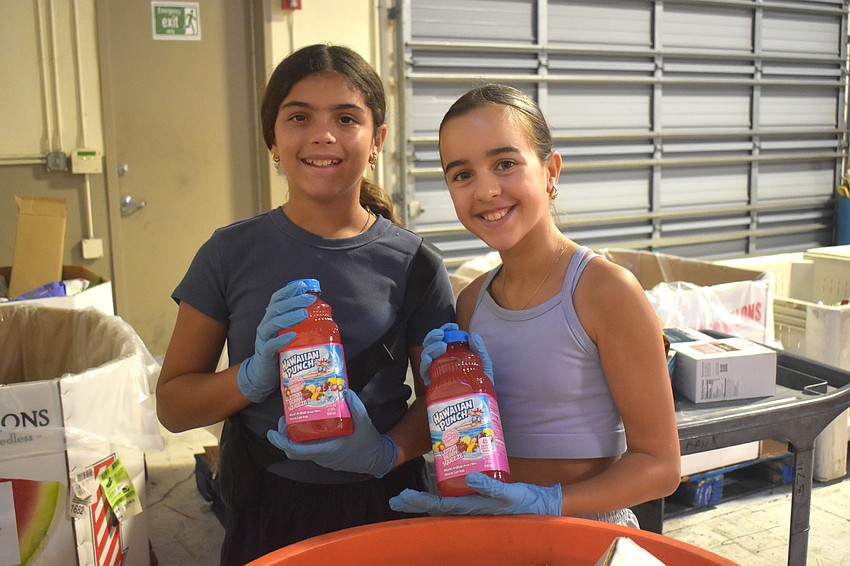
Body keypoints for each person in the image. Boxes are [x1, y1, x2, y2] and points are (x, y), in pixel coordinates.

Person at [156, 44, 455, 565]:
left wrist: (388, 452)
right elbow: (174, 406)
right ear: (273, 139)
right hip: (269, 505)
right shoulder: (228, 254)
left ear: (377, 139)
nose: (323, 135)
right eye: (299, 117)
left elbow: (445, 401)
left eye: (346, 118)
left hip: (387, 501)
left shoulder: (416, 263)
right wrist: (250, 377)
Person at [389, 84, 681, 527]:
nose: (486, 190)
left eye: (505, 164)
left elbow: (660, 467)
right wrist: (440, 397)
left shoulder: (605, 292)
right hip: (495, 539)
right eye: (462, 174)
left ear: (551, 171)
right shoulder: (471, 303)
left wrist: (547, 502)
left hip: (585, 539)